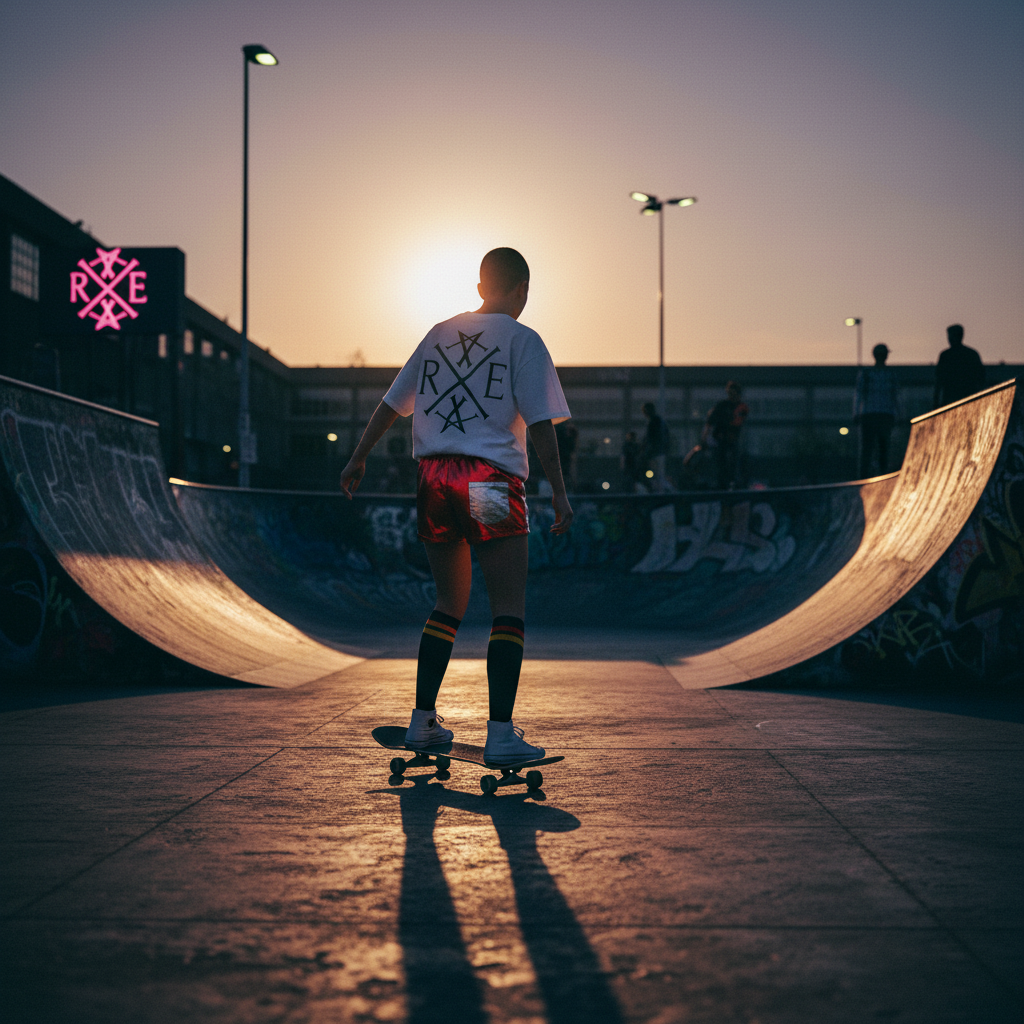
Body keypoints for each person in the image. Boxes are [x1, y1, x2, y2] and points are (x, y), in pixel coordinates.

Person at [339, 248, 573, 764]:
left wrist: (358, 459)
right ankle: (502, 734)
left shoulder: (438, 332)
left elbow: (391, 404)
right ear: (522, 290)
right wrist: (558, 488)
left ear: (480, 285)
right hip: (487, 481)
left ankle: (422, 722)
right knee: (507, 606)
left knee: (450, 602)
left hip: (433, 479)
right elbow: (539, 424)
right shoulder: (524, 339)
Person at [854, 343, 901, 477]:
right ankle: (878, 473)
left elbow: (858, 394)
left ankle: (866, 475)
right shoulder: (889, 374)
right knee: (882, 447)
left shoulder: (867, 373)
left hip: (871, 415)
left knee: (870, 449)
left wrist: (857, 413)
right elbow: (896, 396)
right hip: (883, 415)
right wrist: (899, 414)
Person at [704, 381, 748, 490]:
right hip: (720, 440)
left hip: (731, 440)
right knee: (721, 464)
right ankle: (722, 483)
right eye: (730, 393)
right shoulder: (722, 405)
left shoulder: (741, 407)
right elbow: (710, 422)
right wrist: (705, 437)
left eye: (734, 393)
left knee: (733, 463)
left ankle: (732, 482)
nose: (732, 396)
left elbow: (738, 421)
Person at [934, 324, 986, 408]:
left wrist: (936, 402)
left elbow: (939, 381)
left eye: (951, 336)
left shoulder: (945, 356)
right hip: (967, 399)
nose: (949, 339)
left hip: (952, 400)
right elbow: (981, 379)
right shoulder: (972, 354)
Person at [641, 402, 670, 492]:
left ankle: (661, 493)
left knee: (657, 475)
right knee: (658, 475)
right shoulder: (659, 421)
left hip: (654, 454)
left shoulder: (652, 422)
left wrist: (645, 453)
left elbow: (649, 440)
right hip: (660, 452)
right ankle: (662, 492)